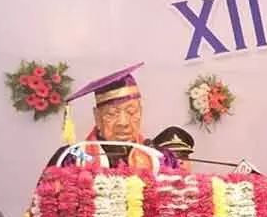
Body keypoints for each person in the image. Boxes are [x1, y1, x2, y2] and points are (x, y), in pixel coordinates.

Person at [46, 63, 177, 171]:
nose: (123, 122)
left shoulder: (159, 158)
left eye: (131, 112)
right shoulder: (74, 156)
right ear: (97, 116)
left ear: (141, 113)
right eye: (112, 114)